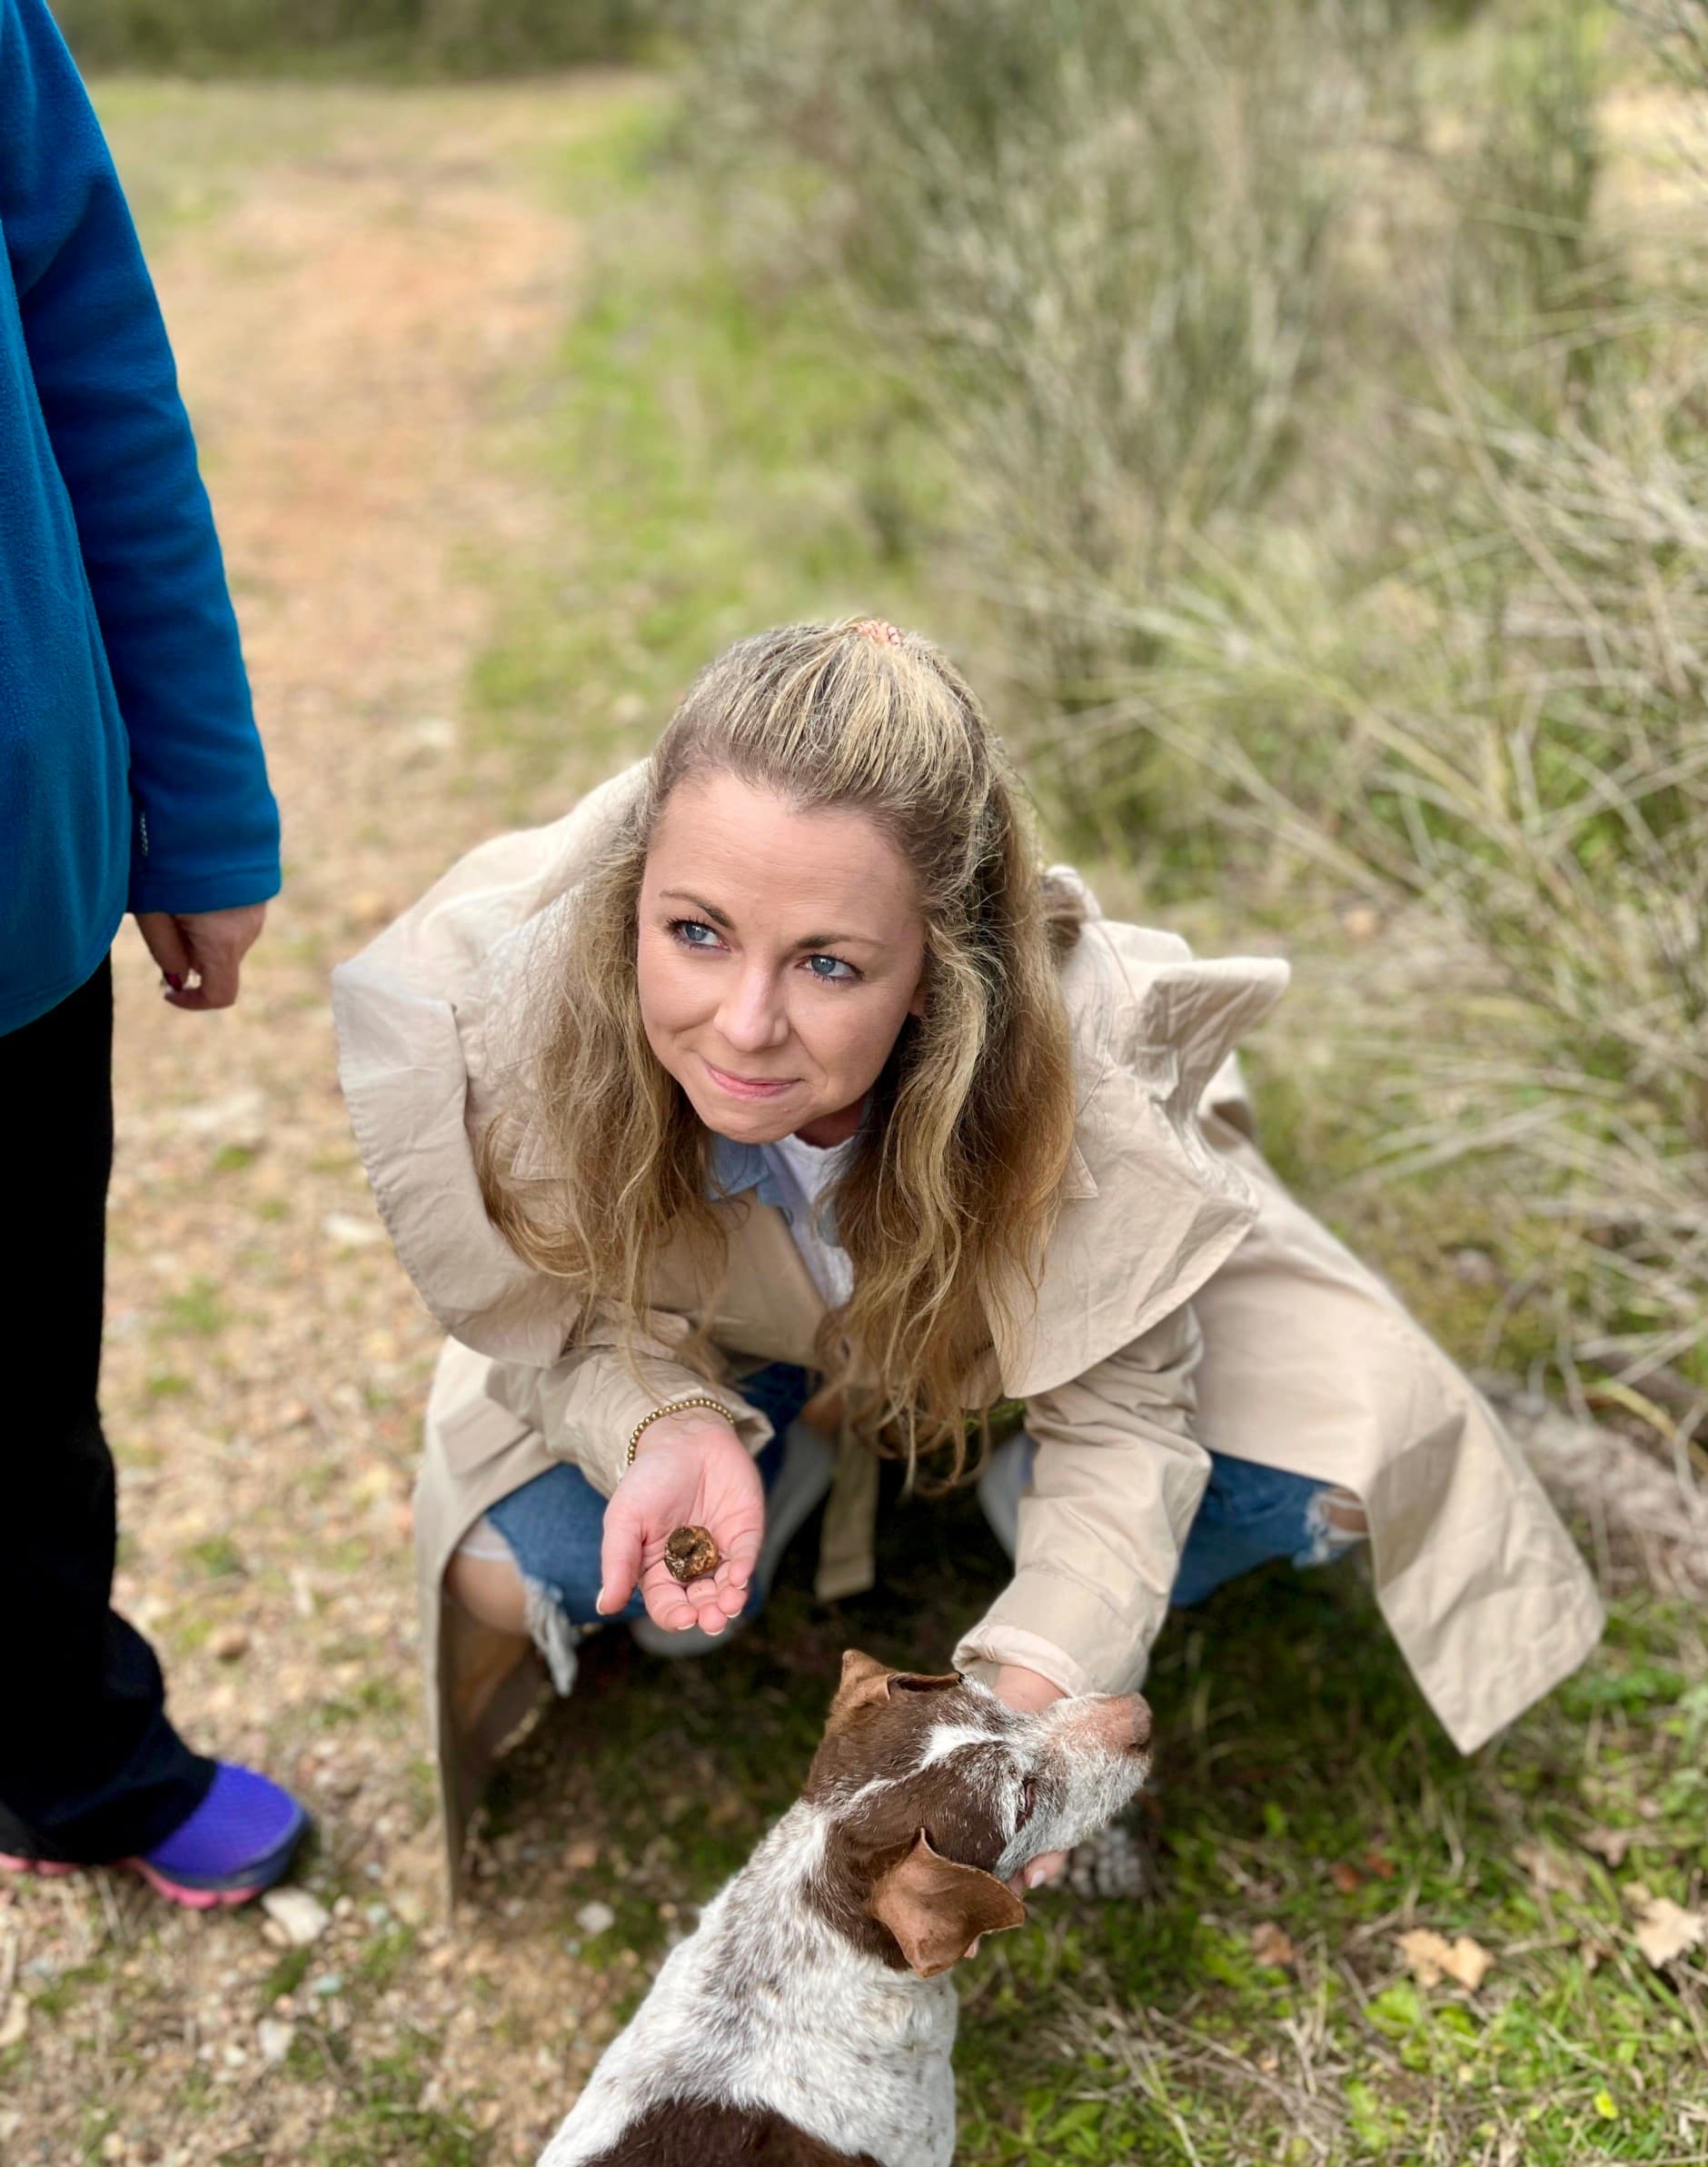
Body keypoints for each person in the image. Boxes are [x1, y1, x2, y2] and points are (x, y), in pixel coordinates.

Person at [334, 616, 1602, 1899]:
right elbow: (556, 1319)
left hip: (1018, 1341)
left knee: (1332, 1467)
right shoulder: (547, 1020)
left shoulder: (1066, 1078)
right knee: (503, 1571)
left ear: (938, 974)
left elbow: (1123, 1428)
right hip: (732, 1334)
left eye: (830, 962)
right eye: (697, 933)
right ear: (637, 898)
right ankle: (776, 1451)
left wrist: (1032, 1688)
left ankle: (1008, 1497)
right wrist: (661, 1423)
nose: (745, 1024)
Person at [0, 0, 308, 1906]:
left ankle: (68, 1756)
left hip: (8, 907)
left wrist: (192, 813)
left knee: (20, 1387)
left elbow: (105, 382)